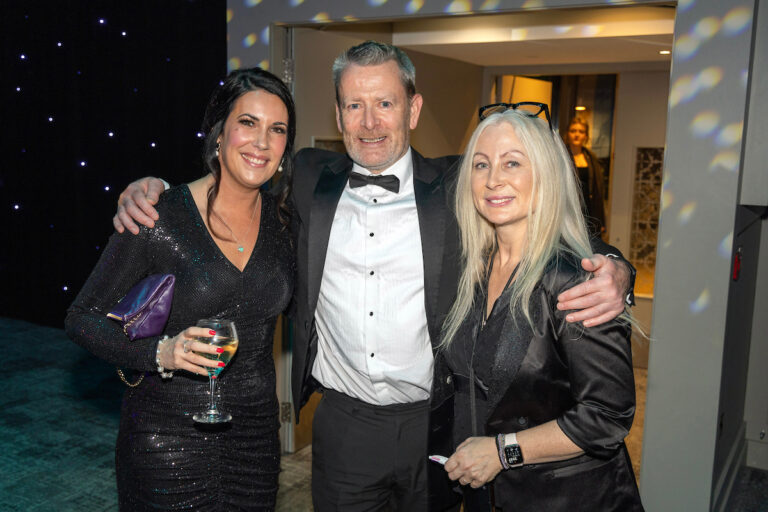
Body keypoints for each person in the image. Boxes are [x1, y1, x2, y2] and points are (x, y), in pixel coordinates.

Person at [112, 42, 634, 511]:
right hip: (344, 423)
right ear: (338, 115)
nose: (370, 122)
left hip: (434, 418)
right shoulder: (309, 177)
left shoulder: (461, 182)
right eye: (354, 106)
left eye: (385, 103)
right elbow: (237, 179)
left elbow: (538, 212)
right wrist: (159, 190)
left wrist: (615, 268)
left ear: (413, 107)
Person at [65, 67, 296, 510]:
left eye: (277, 129)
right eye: (247, 123)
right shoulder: (159, 216)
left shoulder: (286, 223)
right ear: (218, 134)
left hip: (255, 439)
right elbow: (81, 318)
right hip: (165, 439)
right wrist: (159, 354)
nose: (262, 142)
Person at [437, 105, 643, 511]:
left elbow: (607, 417)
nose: (493, 179)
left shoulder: (578, 281)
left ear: (545, 175)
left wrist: (502, 452)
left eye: (512, 162)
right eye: (481, 165)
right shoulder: (471, 270)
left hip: (567, 499)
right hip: (486, 495)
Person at [564, 116, 606, 235]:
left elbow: (598, 191)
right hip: (568, 208)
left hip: (589, 209)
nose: (577, 134)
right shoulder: (561, 156)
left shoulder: (591, 158)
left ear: (586, 136)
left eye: (581, 131)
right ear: (568, 134)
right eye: (573, 131)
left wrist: (601, 220)